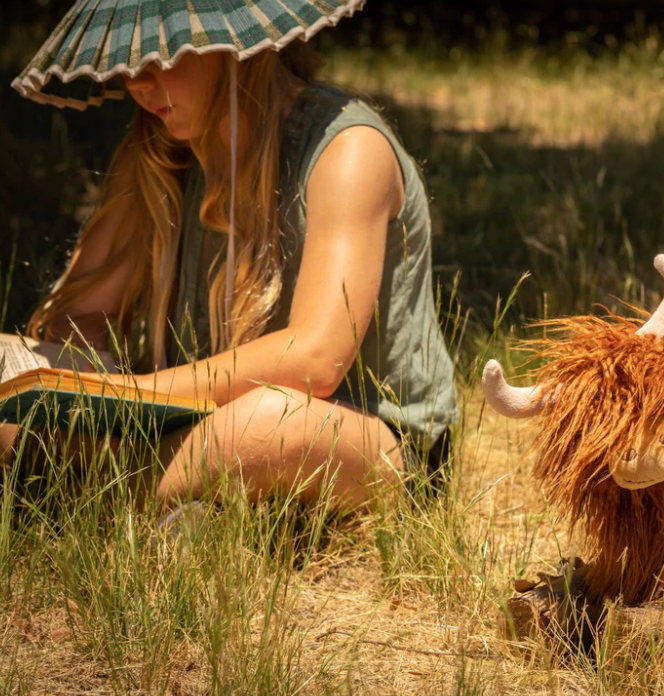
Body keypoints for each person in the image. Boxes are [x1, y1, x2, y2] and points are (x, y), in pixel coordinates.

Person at [4, 31, 458, 513]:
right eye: (128, 59)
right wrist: (82, 386)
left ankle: (91, 498)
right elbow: (79, 319)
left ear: (232, 42)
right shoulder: (159, 148)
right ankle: (179, 495)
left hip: (364, 435)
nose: (137, 81)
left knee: (264, 425)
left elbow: (315, 360)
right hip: (190, 415)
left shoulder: (347, 148)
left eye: (160, 53)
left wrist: (132, 393)